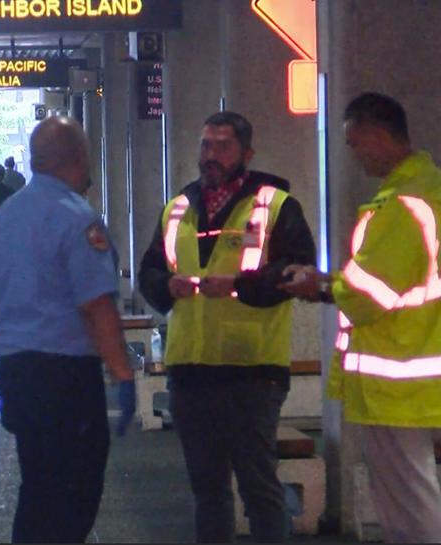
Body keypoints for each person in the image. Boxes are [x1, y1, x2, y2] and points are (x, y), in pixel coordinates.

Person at [138, 111, 316, 542]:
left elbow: (299, 274)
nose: (210, 155)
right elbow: (149, 273)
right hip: (190, 369)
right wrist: (168, 285)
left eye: (222, 146)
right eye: (205, 145)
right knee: (207, 490)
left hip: (252, 371)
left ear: (246, 154)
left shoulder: (275, 206)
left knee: (259, 488)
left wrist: (239, 285)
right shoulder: (179, 208)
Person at [280, 92, 441, 543]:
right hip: (414, 361)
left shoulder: (406, 205)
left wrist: (321, 285)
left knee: (408, 496)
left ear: (377, 133)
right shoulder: (425, 191)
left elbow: (373, 292)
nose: (353, 152)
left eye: (355, 141)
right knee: (411, 488)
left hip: (398, 370)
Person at [0, 116, 134, 543]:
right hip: (65, 379)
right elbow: (95, 305)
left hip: (16, 373)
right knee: (75, 494)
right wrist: (123, 374)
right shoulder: (77, 218)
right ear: (79, 158)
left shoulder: (3, 219)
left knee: (37, 488)